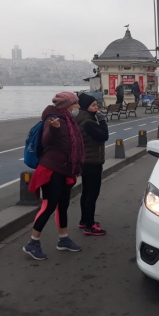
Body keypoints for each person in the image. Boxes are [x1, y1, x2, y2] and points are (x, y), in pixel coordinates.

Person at [23, 92, 85, 260]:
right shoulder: (53, 120)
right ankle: (33, 242)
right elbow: (46, 141)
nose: (78, 107)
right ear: (67, 105)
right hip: (51, 169)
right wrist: (54, 130)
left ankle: (63, 239)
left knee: (63, 204)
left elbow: (74, 146)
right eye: (76, 104)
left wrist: (77, 166)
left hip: (65, 169)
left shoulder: (69, 120)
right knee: (49, 206)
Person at [74, 94, 109, 236]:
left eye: (97, 105)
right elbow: (103, 136)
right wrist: (102, 120)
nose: (97, 108)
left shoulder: (81, 119)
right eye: (93, 105)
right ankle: (90, 226)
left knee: (86, 192)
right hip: (92, 162)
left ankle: (84, 220)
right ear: (85, 107)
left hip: (85, 161)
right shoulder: (88, 122)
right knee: (92, 194)